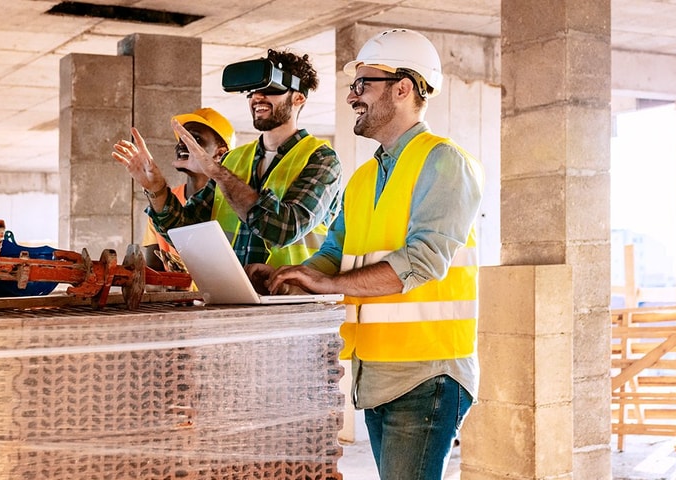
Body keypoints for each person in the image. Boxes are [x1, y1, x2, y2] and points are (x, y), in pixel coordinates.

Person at [250, 29, 484, 480]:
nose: (352, 96)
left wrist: (329, 284)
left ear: (403, 88)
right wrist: (288, 277)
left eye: (364, 84)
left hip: (427, 374)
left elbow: (423, 261)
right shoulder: (360, 179)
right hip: (375, 372)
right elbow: (334, 255)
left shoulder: (445, 162)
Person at [112, 48, 342, 267]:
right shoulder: (235, 159)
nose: (258, 97)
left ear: (298, 98)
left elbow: (284, 229)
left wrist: (218, 173)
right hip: (235, 293)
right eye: (252, 90)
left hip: (294, 301)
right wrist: (157, 188)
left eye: (271, 89)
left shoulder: (321, 159)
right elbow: (185, 232)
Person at [138, 107, 235, 271]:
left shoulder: (234, 203)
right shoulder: (162, 204)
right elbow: (153, 273)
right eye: (181, 139)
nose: (182, 145)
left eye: (194, 139)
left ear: (220, 153)